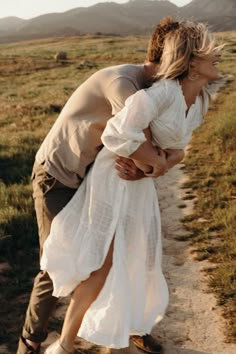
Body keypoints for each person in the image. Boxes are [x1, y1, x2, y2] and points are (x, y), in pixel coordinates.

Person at [41, 20, 223, 354]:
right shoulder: (160, 93)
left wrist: (159, 166)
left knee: (138, 255)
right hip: (116, 177)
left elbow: (181, 148)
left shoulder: (199, 102)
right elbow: (116, 134)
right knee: (105, 260)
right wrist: (151, 163)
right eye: (209, 50)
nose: (218, 55)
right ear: (192, 62)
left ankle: (122, 330)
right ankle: (64, 343)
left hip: (140, 183)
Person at [17, 17, 183, 354]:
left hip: (92, 179)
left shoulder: (150, 89)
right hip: (57, 177)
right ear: (170, 57)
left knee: (120, 249)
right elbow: (146, 152)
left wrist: (151, 167)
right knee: (59, 259)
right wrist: (155, 166)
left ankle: (128, 325)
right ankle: (31, 342)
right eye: (186, 59)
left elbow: (155, 150)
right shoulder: (123, 85)